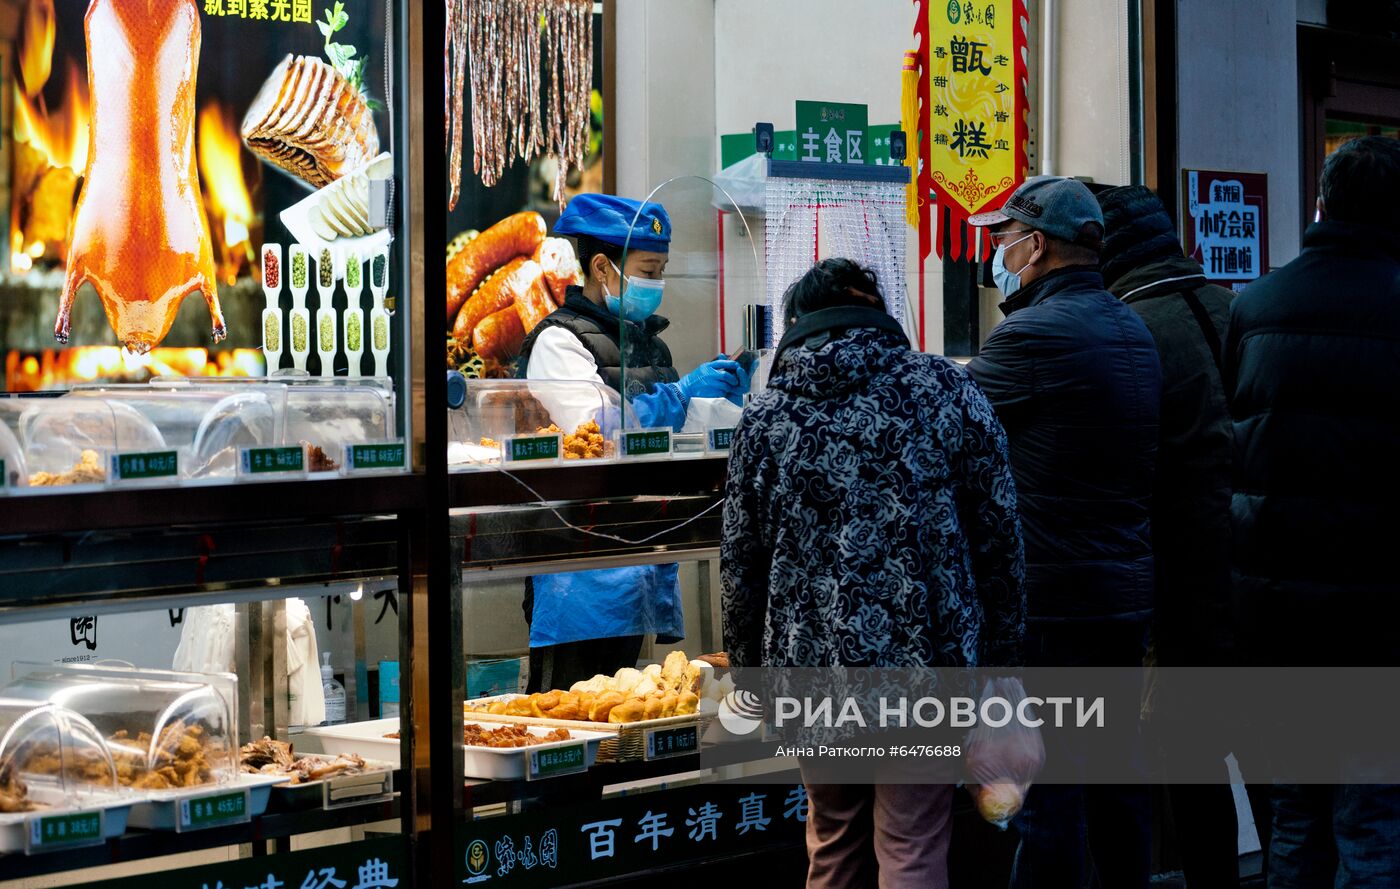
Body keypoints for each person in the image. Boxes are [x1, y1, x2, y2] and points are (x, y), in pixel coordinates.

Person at [721, 258, 1026, 889]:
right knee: (911, 846)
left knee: (832, 844)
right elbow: (998, 530)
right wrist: (1000, 651)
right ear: (878, 311)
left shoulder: (765, 418)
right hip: (924, 669)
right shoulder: (942, 389)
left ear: (797, 325)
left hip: (808, 673)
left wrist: (749, 665)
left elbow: (740, 562)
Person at [965, 175, 1162, 889]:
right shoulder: (1131, 327)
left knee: (1050, 786)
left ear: (1037, 244)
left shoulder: (1035, 334)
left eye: (1003, 239)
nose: (998, 253)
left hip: (1055, 600)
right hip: (1122, 594)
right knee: (1115, 774)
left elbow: (953, 415)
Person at [1224, 135, 1400, 888]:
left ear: (1321, 203)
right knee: (1374, 817)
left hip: (1278, 614)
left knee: (1294, 814)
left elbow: (1235, 449)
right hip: (1381, 613)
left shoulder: (1257, 304)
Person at [1095, 183, 1273, 887]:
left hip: (1180, 600)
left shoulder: (1127, 333)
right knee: (1272, 781)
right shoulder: (1239, 309)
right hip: (1261, 587)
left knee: (1199, 792)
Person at [515, 193, 748, 692]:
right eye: (648, 269)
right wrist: (682, 393)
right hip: (577, 569)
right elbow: (600, 430)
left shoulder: (649, 344)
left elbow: (671, 438)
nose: (656, 283)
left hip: (641, 558)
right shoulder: (559, 341)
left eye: (662, 270)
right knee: (573, 713)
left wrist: (721, 404)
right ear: (602, 267)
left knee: (635, 715)